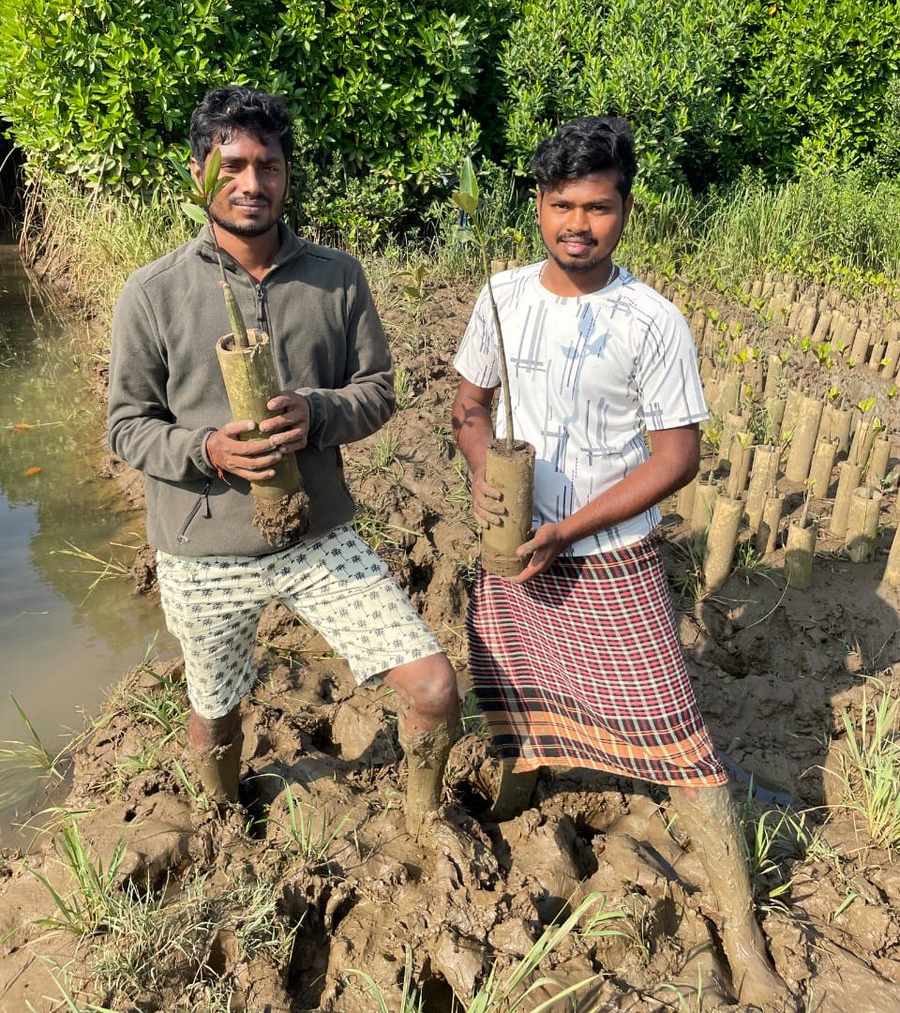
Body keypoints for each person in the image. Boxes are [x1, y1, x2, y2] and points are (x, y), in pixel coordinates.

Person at [451, 116, 792, 1008]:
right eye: (561, 204)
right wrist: (490, 481)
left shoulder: (651, 320)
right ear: (537, 204)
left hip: (607, 559)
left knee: (682, 747)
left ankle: (743, 936)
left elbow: (676, 456)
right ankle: (521, 792)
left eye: (597, 207)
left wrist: (566, 530)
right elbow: (467, 405)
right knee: (515, 689)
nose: (577, 224)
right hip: (511, 554)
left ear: (626, 209)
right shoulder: (500, 299)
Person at [108, 85, 458, 836]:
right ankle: (224, 820)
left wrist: (319, 413)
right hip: (203, 551)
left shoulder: (337, 277)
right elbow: (127, 428)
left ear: (287, 175)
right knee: (213, 708)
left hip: (318, 537)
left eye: (267, 165)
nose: (250, 183)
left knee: (432, 686)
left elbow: (379, 391)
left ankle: (429, 828)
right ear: (199, 171)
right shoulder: (153, 293)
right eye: (231, 164)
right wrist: (206, 449)